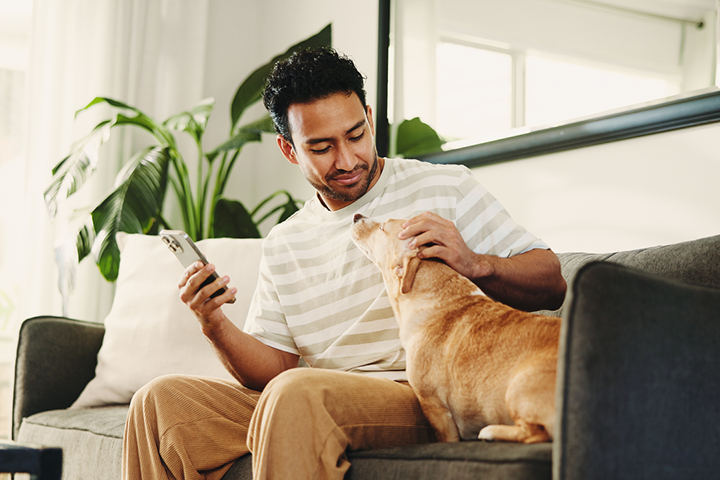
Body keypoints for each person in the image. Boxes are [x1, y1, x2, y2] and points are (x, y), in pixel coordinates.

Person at [122, 47, 566, 480]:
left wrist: (474, 262)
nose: (348, 159)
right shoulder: (285, 241)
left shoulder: (446, 187)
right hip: (309, 393)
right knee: (157, 402)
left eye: (356, 135)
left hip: (417, 394)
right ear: (290, 149)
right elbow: (273, 369)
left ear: (370, 119)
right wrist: (212, 320)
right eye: (322, 147)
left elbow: (551, 282)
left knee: (297, 393)